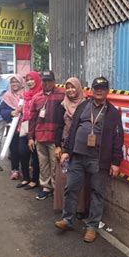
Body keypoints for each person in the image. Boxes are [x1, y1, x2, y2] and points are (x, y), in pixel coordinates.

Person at [55, 77, 124, 243]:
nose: (99, 90)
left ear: (107, 91)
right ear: (91, 90)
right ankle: (68, 220)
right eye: (96, 88)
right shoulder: (83, 106)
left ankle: (92, 227)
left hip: (99, 160)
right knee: (71, 188)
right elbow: (72, 130)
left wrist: (116, 162)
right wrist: (66, 151)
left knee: (97, 193)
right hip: (77, 155)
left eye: (102, 88)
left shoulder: (113, 113)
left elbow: (118, 138)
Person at [54, 77, 89, 215]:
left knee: (79, 178)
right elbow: (58, 126)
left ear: (79, 88)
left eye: (73, 87)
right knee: (63, 177)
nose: (70, 90)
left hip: (80, 147)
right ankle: (64, 208)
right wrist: (57, 146)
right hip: (64, 145)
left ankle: (79, 208)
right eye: (67, 87)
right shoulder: (62, 105)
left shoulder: (87, 105)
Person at [28, 70, 64, 200]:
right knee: (43, 164)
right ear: (41, 82)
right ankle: (45, 187)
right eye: (44, 81)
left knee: (55, 164)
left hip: (55, 138)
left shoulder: (62, 95)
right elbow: (32, 119)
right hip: (40, 137)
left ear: (54, 81)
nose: (47, 83)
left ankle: (56, 189)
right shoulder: (37, 98)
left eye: (49, 80)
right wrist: (30, 138)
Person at [16, 71, 42, 190]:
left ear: (37, 80)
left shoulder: (42, 94)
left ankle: (34, 180)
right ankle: (26, 178)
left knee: (35, 154)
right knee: (22, 152)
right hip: (25, 125)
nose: (30, 82)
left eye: (32, 79)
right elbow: (21, 110)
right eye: (28, 80)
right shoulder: (25, 95)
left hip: (36, 127)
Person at [0, 74, 25, 180]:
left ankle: (25, 170)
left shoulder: (26, 94)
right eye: (12, 82)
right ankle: (15, 170)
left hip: (25, 127)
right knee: (14, 149)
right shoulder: (7, 95)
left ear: (21, 83)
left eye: (16, 82)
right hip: (13, 128)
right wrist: (11, 112)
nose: (14, 84)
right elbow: (2, 110)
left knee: (23, 150)